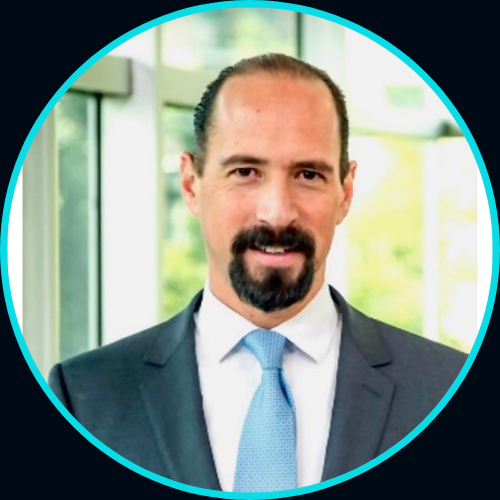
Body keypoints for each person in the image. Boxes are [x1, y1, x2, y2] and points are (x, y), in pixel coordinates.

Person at [49, 53, 467, 492]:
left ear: (345, 192)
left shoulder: (445, 390)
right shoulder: (84, 400)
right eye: (245, 172)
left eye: (308, 174)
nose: (277, 212)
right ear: (191, 183)